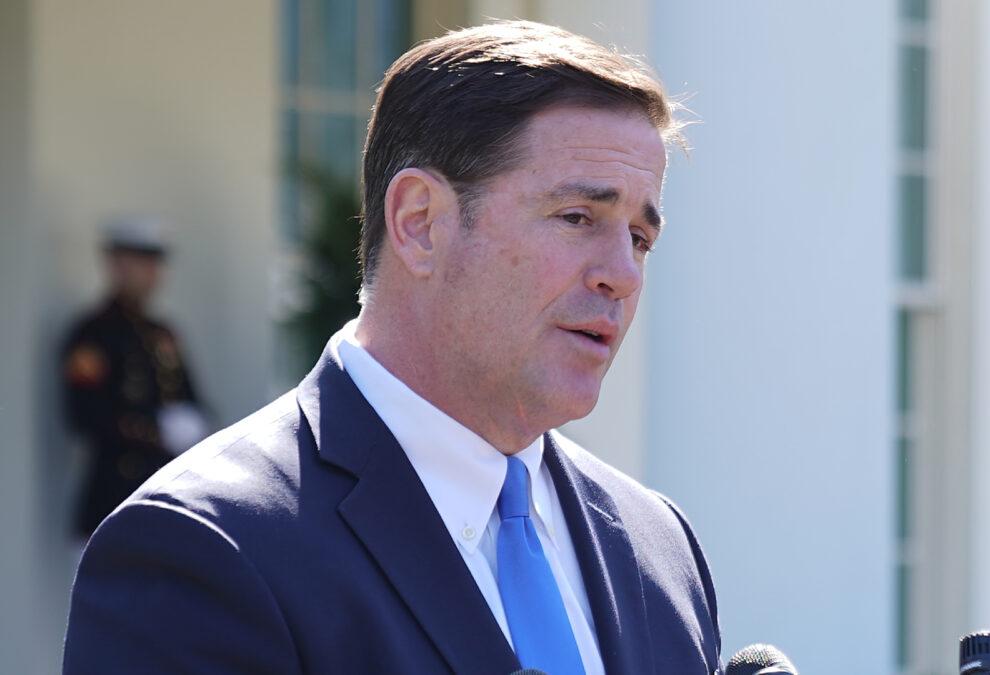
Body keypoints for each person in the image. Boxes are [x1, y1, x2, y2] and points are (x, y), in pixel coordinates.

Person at [64, 21, 720, 674]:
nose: (623, 274)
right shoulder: (205, 546)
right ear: (420, 222)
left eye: (639, 237)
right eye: (578, 218)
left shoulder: (657, 544)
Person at [61, 215, 208, 541]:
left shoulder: (163, 334)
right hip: (113, 499)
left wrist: (193, 424)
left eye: (155, 262)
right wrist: (156, 431)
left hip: (168, 496)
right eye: (141, 261)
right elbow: (85, 416)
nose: (153, 273)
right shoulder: (93, 334)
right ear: (115, 265)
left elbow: (190, 397)